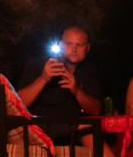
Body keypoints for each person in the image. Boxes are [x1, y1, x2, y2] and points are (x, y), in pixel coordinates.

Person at [17, 27, 111, 157]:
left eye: (79, 45)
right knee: (83, 127)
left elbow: (95, 110)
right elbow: (18, 104)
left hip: (70, 128)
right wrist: (43, 79)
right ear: (60, 45)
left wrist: (77, 91)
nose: (74, 49)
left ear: (87, 48)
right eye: (69, 44)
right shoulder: (38, 65)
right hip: (37, 126)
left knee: (88, 128)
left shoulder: (88, 69)